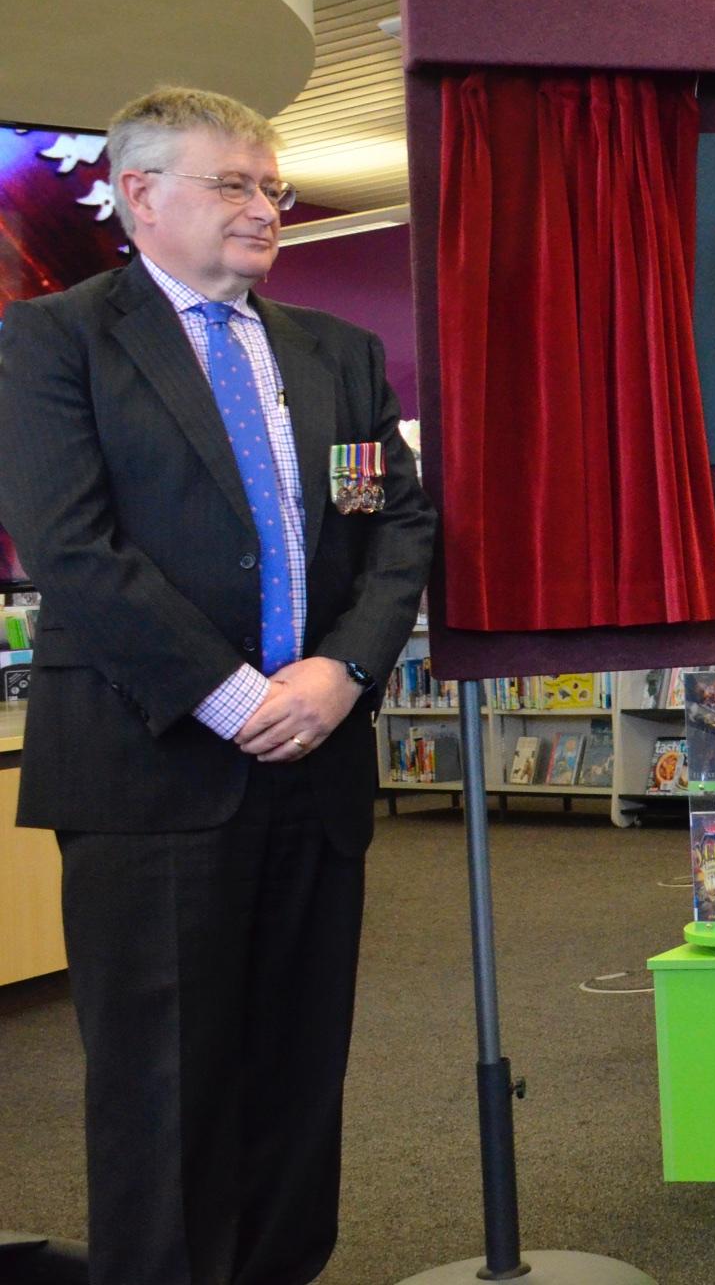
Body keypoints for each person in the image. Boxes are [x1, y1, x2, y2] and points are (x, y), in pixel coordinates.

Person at [0, 86, 435, 1284]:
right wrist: (239, 696)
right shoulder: (56, 341)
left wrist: (343, 671)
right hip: (154, 770)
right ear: (141, 195)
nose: (264, 207)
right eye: (233, 183)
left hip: (320, 759)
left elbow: (393, 524)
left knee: (299, 1067)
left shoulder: (336, 356)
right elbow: (71, 550)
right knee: (164, 1082)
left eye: (271, 185)